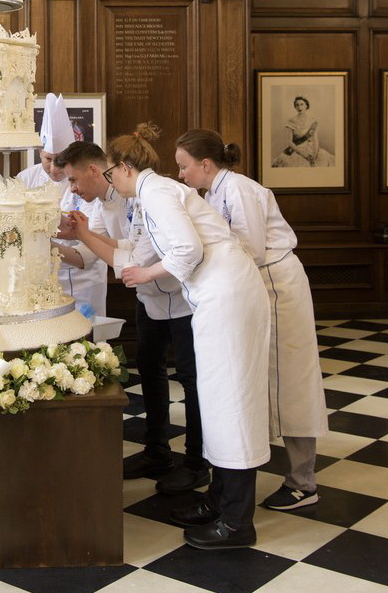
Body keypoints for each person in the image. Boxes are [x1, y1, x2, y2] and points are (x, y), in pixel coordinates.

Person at [105, 123, 270, 550]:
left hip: (226, 292)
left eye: (108, 174)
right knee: (217, 399)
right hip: (217, 291)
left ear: (123, 168)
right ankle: (219, 500)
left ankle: (236, 522)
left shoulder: (156, 192)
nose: (109, 182)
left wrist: (146, 273)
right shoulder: (151, 193)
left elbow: (187, 251)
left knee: (230, 400)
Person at [175, 129, 328, 512]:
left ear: (205, 164)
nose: (181, 175)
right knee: (260, 379)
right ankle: (258, 467)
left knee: (291, 380)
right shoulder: (217, 191)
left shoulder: (238, 188)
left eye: (183, 166)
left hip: (276, 284)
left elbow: (251, 248)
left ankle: (302, 482)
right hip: (258, 284)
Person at [60, 142, 207, 489]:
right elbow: (91, 255)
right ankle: (158, 449)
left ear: (106, 171)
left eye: (74, 180)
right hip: (149, 297)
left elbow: (136, 256)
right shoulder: (103, 204)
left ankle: (197, 459)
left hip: (183, 296)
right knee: (150, 369)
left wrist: (85, 235)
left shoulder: (150, 195)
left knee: (190, 377)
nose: (73, 189)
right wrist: (56, 239)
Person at [17, 95, 107, 317]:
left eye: (60, 160)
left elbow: (91, 243)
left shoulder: (87, 182)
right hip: (40, 276)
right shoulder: (25, 179)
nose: (54, 167)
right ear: (39, 152)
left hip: (84, 278)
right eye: (48, 159)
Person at [272, 96, 335, 168]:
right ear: (295, 107)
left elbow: (315, 140)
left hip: (312, 148)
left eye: (302, 104)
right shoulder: (291, 121)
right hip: (297, 150)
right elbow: (289, 142)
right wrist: (303, 154)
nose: (299, 107)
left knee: (324, 159)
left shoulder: (313, 121)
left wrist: (315, 155)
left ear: (306, 106)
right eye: (297, 105)